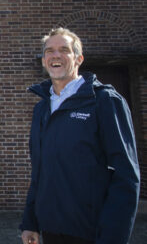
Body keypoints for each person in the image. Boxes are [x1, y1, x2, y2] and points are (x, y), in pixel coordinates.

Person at [20, 28, 139, 244]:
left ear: (78, 59)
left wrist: (113, 237)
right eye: (49, 51)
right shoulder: (42, 108)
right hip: (51, 230)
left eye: (64, 50)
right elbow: (40, 171)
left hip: (91, 233)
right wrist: (30, 221)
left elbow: (126, 176)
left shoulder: (105, 101)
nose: (55, 55)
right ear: (44, 60)